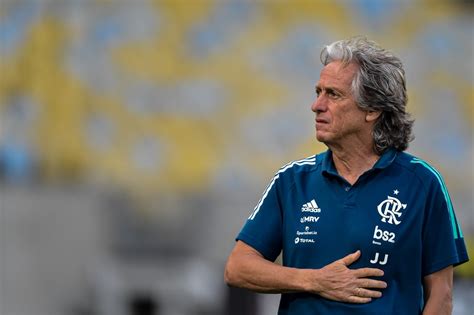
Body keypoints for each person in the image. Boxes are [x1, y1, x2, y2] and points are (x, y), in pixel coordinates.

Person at [224, 36, 469, 315]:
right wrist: (315, 280)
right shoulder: (292, 181)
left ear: (373, 109)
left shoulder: (423, 183)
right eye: (318, 92)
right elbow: (238, 267)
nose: (317, 105)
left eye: (333, 94)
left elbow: (442, 295)